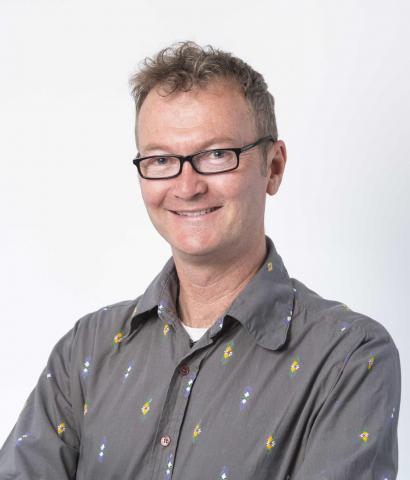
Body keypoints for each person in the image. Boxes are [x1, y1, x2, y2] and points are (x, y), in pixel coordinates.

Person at [0, 41, 401, 479]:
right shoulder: (86, 349)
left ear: (273, 167)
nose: (187, 187)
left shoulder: (349, 357)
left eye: (216, 155)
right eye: (161, 159)